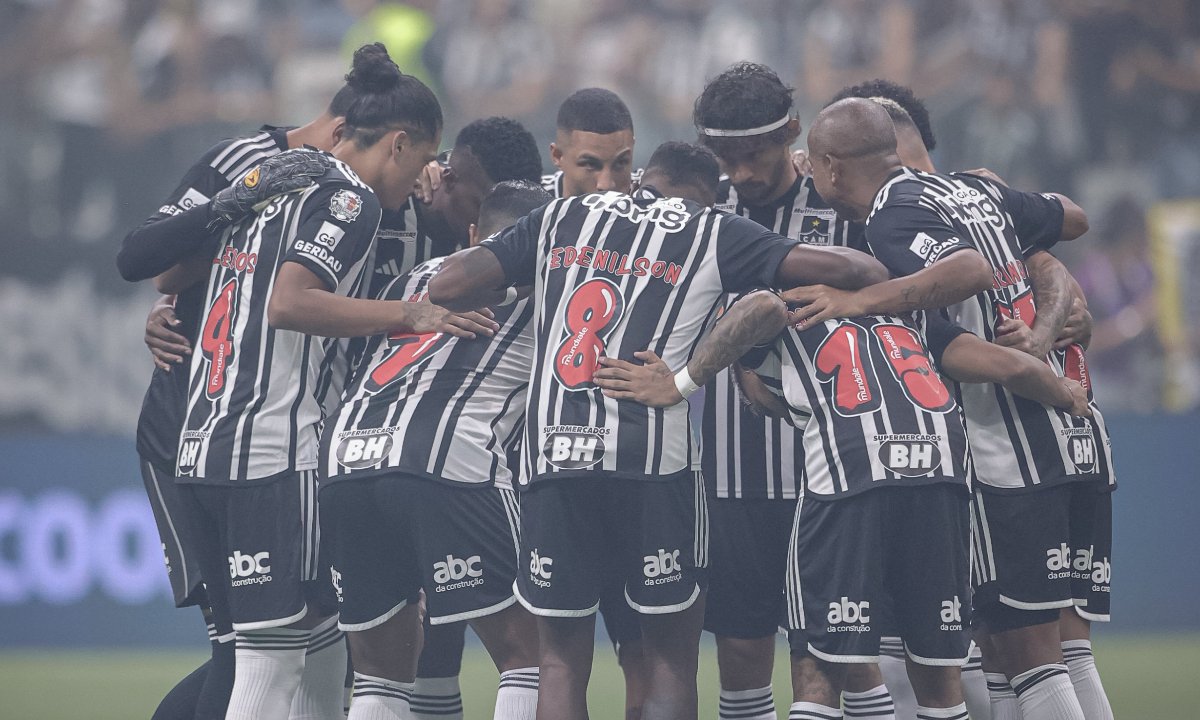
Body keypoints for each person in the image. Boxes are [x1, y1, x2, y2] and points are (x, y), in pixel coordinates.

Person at [428, 140, 888, 720]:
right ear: (706, 194)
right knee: (668, 656)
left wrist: (530, 279)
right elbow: (860, 270)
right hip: (653, 462)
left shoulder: (562, 215)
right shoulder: (713, 228)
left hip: (555, 458)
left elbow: (446, 286)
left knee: (561, 660)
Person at [592, 281, 1091, 720]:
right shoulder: (911, 311)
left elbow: (761, 324)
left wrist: (684, 383)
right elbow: (1008, 363)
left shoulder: (790, 307)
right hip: (941, 475)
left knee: (818, 667)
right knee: (941, 676)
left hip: (848, 476)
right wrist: (1066, 392)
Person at [163, 45, 475, 720]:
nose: (422, 180)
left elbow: (181, 275)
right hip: (275, 450)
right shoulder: (347, 198)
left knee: (321, 645)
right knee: (270, 663)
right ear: (398, 144)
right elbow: (290, 304)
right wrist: (410, 313)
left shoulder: (274, 195)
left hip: (204, 445)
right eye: (423, 159)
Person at [789, 98, 1108, 720]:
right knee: (1038, 652)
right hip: (1065, 436)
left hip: (1004, 447)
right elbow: (1071, 220)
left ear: (831, 167)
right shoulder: (974, 190)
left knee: (1029, 653)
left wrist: (861, 301)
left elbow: (967, 269)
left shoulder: (892, 213)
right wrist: (1047, 332)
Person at [319, 147, 550, 720]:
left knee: (380, 673)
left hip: (347, 460)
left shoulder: (413, 278)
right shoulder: (555, 282)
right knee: (534, 656)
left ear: (473, 234)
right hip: (447, 459)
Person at [691, 61, 874, 720]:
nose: (740, 171)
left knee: (832, 655)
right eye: (726, 157)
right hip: (730, 473)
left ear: (792, 131)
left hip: (831, 473)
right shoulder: (696, 207)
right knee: (741, 653)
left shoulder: (843, 202)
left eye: (755, 154)